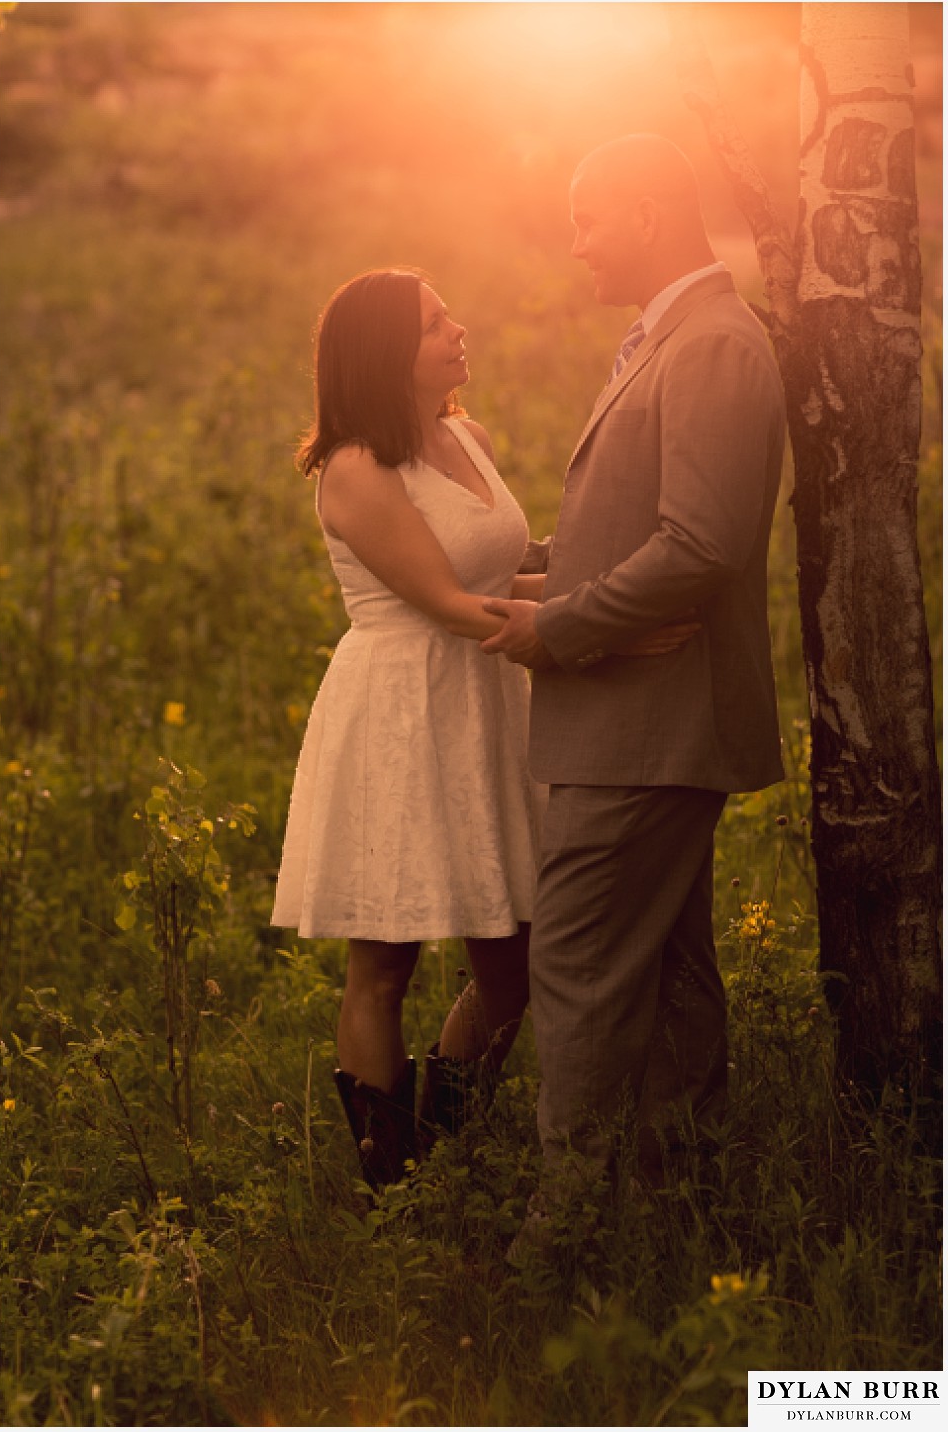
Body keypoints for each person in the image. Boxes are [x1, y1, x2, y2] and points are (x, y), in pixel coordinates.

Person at [270, 268, 696, 1191]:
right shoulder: (356, 468)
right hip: (401, 708)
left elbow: (502, 589)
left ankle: (442, 1142)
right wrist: (608, 623)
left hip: (488, 699)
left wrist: (613, 601)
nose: (459, 330)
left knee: (517, 961)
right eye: (434, 325)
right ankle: (394, 1187)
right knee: (384, 961)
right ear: (388, 353)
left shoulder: (468, 435)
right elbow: (456, 607)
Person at [481, 135, 786, 1238]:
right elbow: (636, 526)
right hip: (635, 718)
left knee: (574, 960)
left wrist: (559, 631)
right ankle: (680, 1202)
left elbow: (698, 544)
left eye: (587, 220)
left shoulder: (711, 345)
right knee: (664, 961)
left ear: (650, 212)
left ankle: (562, 1229)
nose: (574, 246)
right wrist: (493, 581)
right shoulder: (676, 338)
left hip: (652, 722)